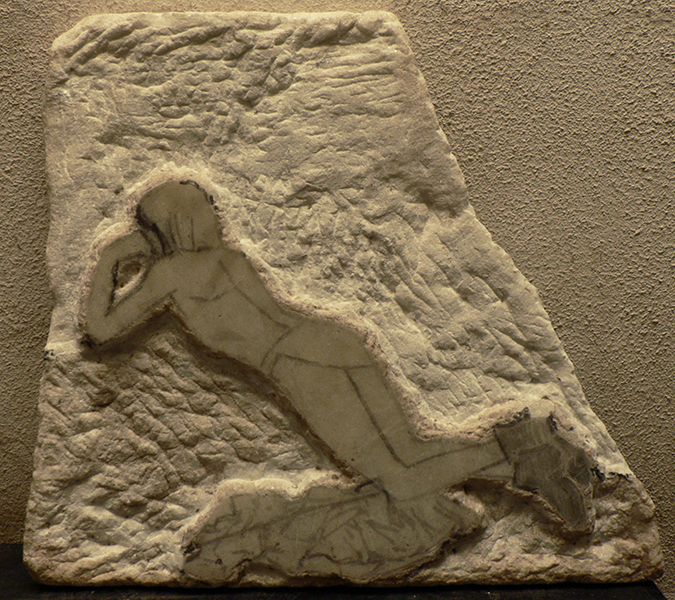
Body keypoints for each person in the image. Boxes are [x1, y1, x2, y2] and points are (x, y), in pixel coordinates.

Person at [83, 178, 595, 534]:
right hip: (331, 340)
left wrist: (111, 257)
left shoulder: (172, 274)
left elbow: (100, 329)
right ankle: (533, 458)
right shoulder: (228, 257)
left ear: (164, 228)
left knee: (398, 477)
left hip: (300, 364)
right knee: (413, 450)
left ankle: (526, 446)